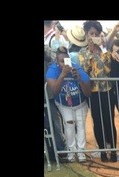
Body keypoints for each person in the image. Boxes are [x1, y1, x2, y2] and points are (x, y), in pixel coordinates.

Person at [45, 42, 92, 163]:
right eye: (62, 61)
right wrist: (62, 75)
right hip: (64, 103)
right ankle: (71, 151)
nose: (65, 63)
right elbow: (54, 90)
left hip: (80, 102)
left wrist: (79, 79)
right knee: (69, 123)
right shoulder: (53, 69)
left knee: (81, 124)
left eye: (67, 60)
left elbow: (88, 92)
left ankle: (81, 152)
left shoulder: (76, 67)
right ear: (57, 61)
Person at [79, 20, 117, 162]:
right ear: (86, 34)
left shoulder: (105, 50)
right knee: (98, 122)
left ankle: (113, 150)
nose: (94, 36)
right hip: (93, 92)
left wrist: (102, 48)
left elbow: (108, 69)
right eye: (91, 33)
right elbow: (85, 69)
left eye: (96, 34)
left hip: (107, 90)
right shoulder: (82, 52)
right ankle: (102, 151)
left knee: (109, 120)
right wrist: (90, 51)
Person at [43, 20, 67, 159]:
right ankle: (50, 151)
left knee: (54, 121)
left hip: (49, 91)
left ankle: (60, 150)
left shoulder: (52, 41)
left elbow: (57, 59)